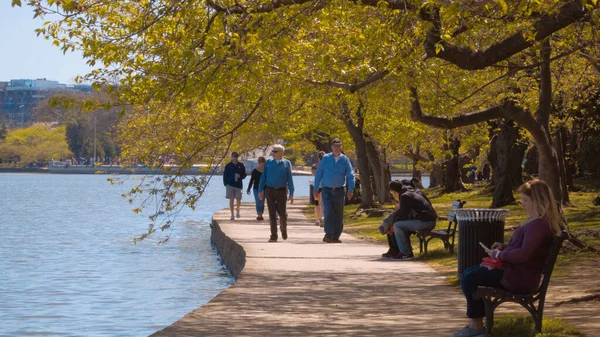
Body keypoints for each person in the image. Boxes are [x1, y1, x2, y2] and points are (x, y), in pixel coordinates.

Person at [452, 179, 561, 337]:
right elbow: (522, 248)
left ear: (537, 201)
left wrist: (498, 254)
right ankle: (476, 325)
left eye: (525, 200)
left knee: (470, 278)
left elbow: (524, 254)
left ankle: (476, 327)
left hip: (520, 279)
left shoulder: (538, 224)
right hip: (517, 273)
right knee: (470, 273)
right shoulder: (537, 221)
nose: (522, 204)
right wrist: (504, 246)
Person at [313, 138, 355, 243]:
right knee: (328, 212)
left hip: (340, 190)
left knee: (338, 214)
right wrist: (316, 188)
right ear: (331, 147)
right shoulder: (326, 158)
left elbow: (350, 175)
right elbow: (319, 173)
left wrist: (351, 189)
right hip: (327, 190)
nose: (336, 148)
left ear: (341, 147)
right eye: (335, 146)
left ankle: (336, 236)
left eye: (338, 146)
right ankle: (328, 234)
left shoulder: (345, 160)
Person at [391, 180, 437, 260]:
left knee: (397, 226)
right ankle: (404, 251)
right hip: (427, 220)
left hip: (426, 222)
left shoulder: (404, 196)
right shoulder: (409, 192)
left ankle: (406, 253)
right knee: (398, 225)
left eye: (391, 192)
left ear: (394, 191)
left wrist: (392, 226)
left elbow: (403, 215)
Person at [258, 144, 295, 243]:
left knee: (282, 213)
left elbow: (290, 179)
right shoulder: (269, 163)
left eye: (274, 151)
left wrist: (291, 193)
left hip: (282, 190)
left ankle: (283, 229)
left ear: (280, 152)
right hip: (269, 190)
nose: (273, 153)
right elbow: (263, 177)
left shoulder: (286, 163)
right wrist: (260, 190)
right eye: (272, 151)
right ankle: (273, 235)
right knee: (272, 214)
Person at [223, 152, 247, 220]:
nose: (235, 158)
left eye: (236, 156)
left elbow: (245, 174)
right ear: (231, 157)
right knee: (231, 199)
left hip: (238, 185)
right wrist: (225, 184)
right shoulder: (228, 165)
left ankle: (238, 209)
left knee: (238, 199)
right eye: (234, 156)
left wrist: (240, 176)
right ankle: (232, 214)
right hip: (230, 185)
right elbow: (225, 175)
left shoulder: (241, 165)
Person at [247, 156, 266, 221]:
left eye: (263, 163)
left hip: (264, 188)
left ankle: (261, 214)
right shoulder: (254, 171)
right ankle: (259, 214)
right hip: (256, 188)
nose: (262, 164)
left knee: (262, 202)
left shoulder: (266, 171)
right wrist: (248, 188)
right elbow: (252, 180)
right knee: (258, 201)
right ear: (259, 163)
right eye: (261, 162)